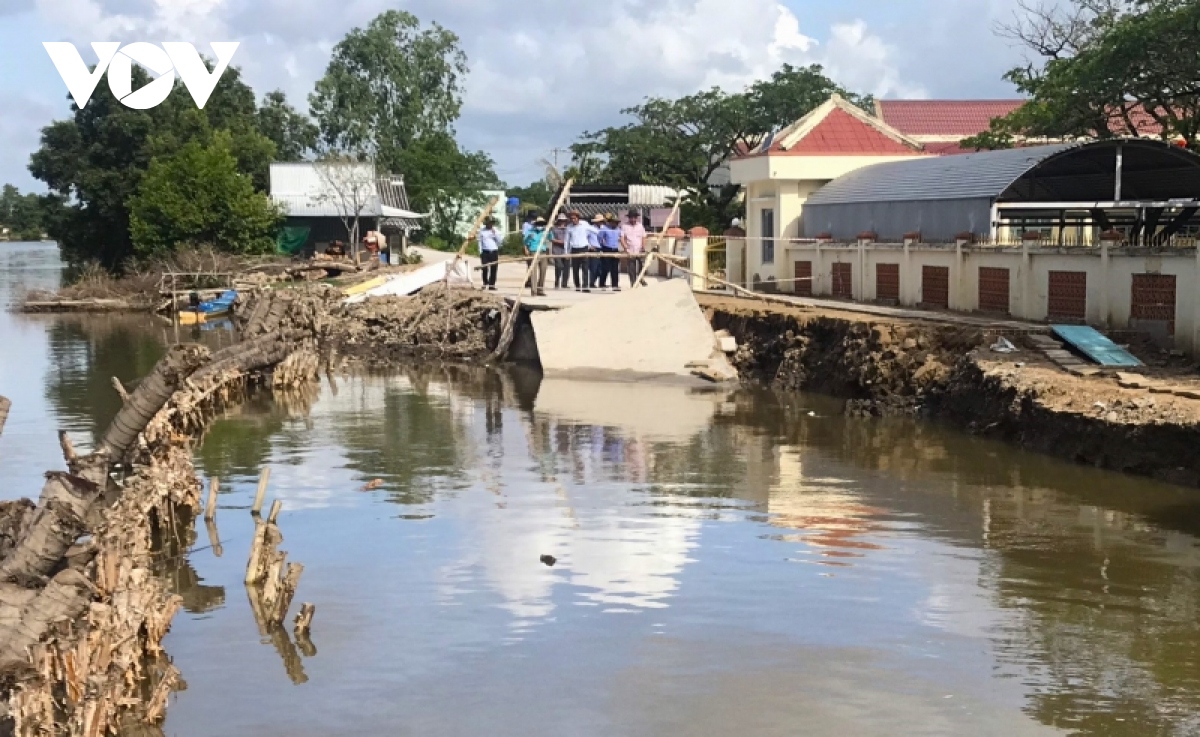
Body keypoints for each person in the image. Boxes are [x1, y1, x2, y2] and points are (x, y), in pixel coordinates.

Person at [565, 210, 595, 292]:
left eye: (574, 218)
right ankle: (577, 286)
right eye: (571, 218)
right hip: (574, 249)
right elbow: (566, 241)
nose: (573, 220)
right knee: (575, 269)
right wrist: (566, 252)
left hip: (584, 248)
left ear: (578, 218)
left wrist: (601, 235)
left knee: (585, 268)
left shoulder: (584, 224)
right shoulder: (569, 227)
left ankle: (585, 286)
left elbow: (593, 230)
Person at [523, 216, 551, 296]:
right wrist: (529, 238)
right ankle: (534, 290)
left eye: (541, 224)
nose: (540, 225)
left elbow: (550, 238)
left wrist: (549, 230)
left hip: (543, 252)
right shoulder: (530, 231)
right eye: (538, 224)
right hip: (533, 251)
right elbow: (525, 241)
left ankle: (540, 289)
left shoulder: (545, 231)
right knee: (533, 272)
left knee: (543, 271)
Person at [620, 209, 648, 287]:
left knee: (642, 266)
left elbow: (644, 237)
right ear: (629, 218)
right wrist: (625, 247)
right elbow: (622, 238)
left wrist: (643, 246)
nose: (633, 219)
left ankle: (641, 278)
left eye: (634, 217)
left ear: (636, 218)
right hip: (630, 250)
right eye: (631, 218)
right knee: (631, 268)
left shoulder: (640, 226)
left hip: (639, 249)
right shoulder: (624, 226)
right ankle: (633, 282)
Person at [475, 216, 502, 290]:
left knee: (494, 269)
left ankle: (492, 285)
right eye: (489, 223)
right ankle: (485, 283)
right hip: (485, 252)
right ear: (486, 223)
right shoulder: (482, 231)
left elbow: (500, 242)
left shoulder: (496, 230)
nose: (490, 225)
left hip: (494, 251)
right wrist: (480, 252)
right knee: (485, 268)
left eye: (492, 223)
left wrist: (495, 234)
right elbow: (480, 242)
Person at [597, 213, 623, 291]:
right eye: (613, 222)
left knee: (615, 269)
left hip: (615, 249)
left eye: (616, 222)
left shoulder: (618, 229)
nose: (614, 223)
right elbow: (599, 237)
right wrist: (602, 245)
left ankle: (615, 285)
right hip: (606, 249)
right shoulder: (604, 228)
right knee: (605, 268)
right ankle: (602, 283)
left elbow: (621, 238)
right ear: (610, 222)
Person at [551, 214, 570, 289]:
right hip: (557, 250)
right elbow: (551, 239)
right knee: (559, 266)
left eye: (564, 220)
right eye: (561, 220)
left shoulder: (568, 228)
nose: (562, 222)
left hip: (566, 250)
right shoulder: (554, 229)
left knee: (566, 267)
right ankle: (557, 281)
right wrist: (560, 242)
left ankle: (564, 283)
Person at [588, 214, 607, 289]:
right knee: (594, 267)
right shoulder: (590, 228)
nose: (600, 222)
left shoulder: (603, 229)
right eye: (599, 221)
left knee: (601, 267)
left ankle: (597, 281)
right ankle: (591, 282)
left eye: (601, 221)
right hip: (594, 248)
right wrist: (590, 246)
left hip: (602, 248)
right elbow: (586, 238)